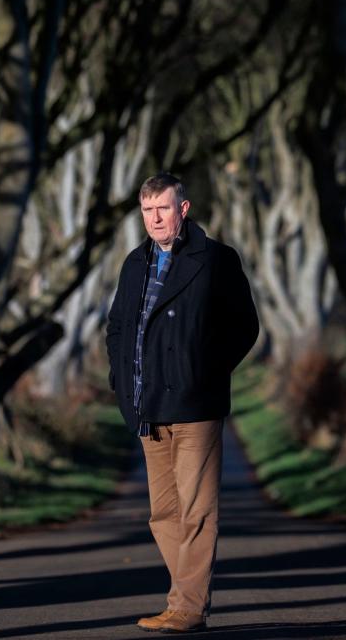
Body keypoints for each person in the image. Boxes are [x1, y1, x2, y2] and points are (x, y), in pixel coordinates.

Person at [105, 172, 259, 634]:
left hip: (196, 405)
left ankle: (188, 607)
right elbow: (117, 328)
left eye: (163, 209)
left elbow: (244, 326)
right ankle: (186, 596)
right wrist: (120, 382)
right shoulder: (134, 263)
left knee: (196, 511)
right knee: (163, 514)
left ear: (183, 209)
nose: (154, 218)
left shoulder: (215, 260)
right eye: (147, 210)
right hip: (145, 405)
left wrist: (204, 372)